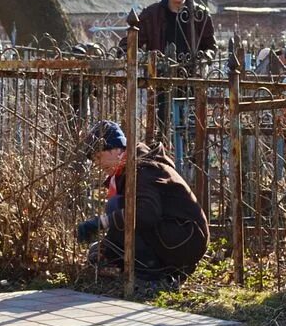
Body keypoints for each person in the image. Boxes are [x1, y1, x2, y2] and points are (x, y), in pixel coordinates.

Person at [75, 120, 210, 280]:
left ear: (116, 149)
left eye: (98, 156)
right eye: (94, 160)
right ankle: (155, 269)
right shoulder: (129, 169)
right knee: (110, 231)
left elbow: (146, 213)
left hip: (184, 240)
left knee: (116, 206)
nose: (97, 163)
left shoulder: (143, 169)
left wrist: (103, 222)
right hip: (177, 236)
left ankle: (152, 273)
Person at [118, 0, 217, 60]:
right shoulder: (151, 14)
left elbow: (211, 46)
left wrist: (207, 56)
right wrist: (130, 55)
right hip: (159, 75)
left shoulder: (200, 15)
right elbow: (130, 43)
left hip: (191, 74)